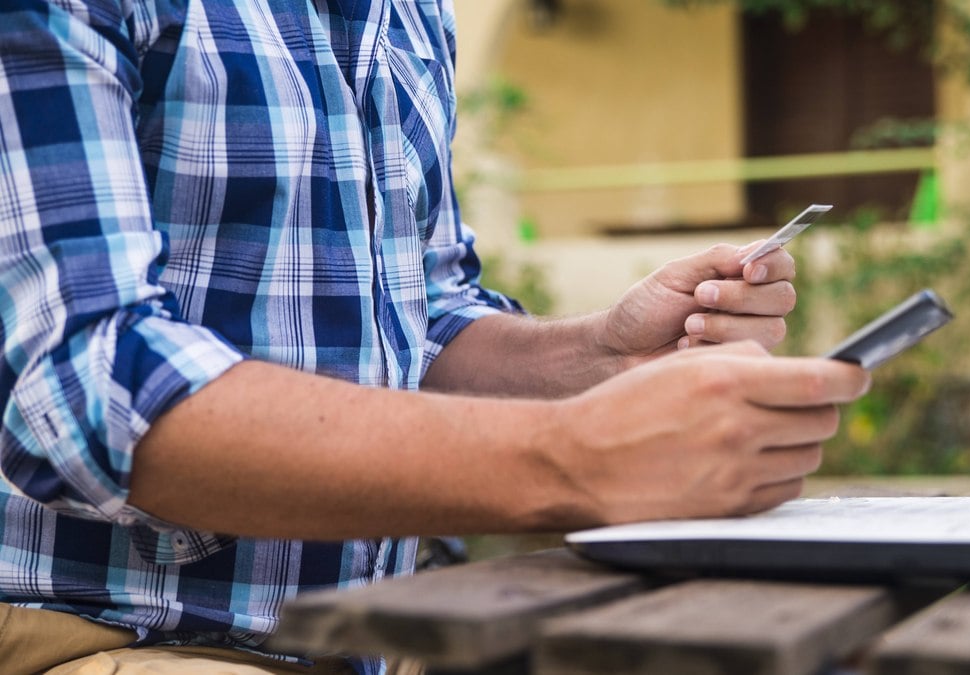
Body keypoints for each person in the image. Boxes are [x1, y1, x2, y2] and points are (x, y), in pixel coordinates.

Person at [0, 0, 870, 673]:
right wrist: (575, 455)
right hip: (94, 636)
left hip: (372, 634)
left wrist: (605, 359)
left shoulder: (406, 12)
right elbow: (83, 392)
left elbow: (418, 322)